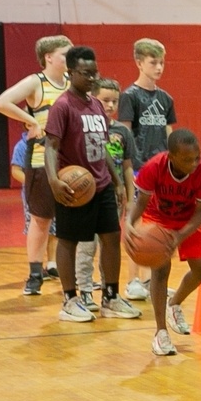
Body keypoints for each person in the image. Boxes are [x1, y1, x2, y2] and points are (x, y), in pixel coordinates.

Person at [44, 46, 140, 323]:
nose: (92, 78)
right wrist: (53, 180)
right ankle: (70, 299)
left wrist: (117, 181)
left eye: (94, 72)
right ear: (71, 72)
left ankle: (110, 297)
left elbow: (105, 147)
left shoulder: (96, 104)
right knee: (68, 241)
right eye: (86, 73)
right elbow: (51, 146)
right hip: (75, 188)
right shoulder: (62, 106)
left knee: (111, 238)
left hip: (101, 185)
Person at [124, 129, 201, 357]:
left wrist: (179, 236)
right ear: (171, 156)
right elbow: (141, 202)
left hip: (188, 218)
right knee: (160, 268)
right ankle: (160, 333)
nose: (194, 163)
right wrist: (129, 222)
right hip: (158, 218)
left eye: (197, 157)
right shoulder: (154, 167)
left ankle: (174, 304)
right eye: (187, 159)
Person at [0, 35, 72, 295]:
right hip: (41, 162)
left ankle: (72, 274)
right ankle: (35, 274)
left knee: (73, 222)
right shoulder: (35, 82)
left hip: (72, 166)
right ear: (49, 57)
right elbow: (1, 102)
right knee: (41, 220)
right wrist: (32, 121)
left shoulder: (73, 84)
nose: (69, 59)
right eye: (65, 54)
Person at [117, 38, 177, 301]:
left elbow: (168, 131)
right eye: (154, 62)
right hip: (139, 169)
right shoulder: (129, 96)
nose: (159, 67)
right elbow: (124, 133)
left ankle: (154, 278)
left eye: (162, 62)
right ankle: (132, 281)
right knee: (136, 222)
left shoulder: (166, 98)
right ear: (139, 63)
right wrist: (124, 170)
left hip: (161, 170)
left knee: (160, 225)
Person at [74, 78, 137, 311]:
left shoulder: (122, 131)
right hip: (88, 195)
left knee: (109, 246)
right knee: (86, 246)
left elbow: (128, 166)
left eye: (114, 101)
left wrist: (130, 198)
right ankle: (85, 292)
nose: (110, 105)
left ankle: (109, 293)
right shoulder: (85, 127)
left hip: (114, 196)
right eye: (105, 100)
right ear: (93, 99)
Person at [9, 131, 59, 285]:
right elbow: (15, 171)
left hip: (51, 190)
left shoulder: (50, 143)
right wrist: (32, 182)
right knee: (37, 227)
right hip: (33, 193)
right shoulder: (22, 146)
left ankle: (52, 264)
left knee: (54, 229)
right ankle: (37, 267)